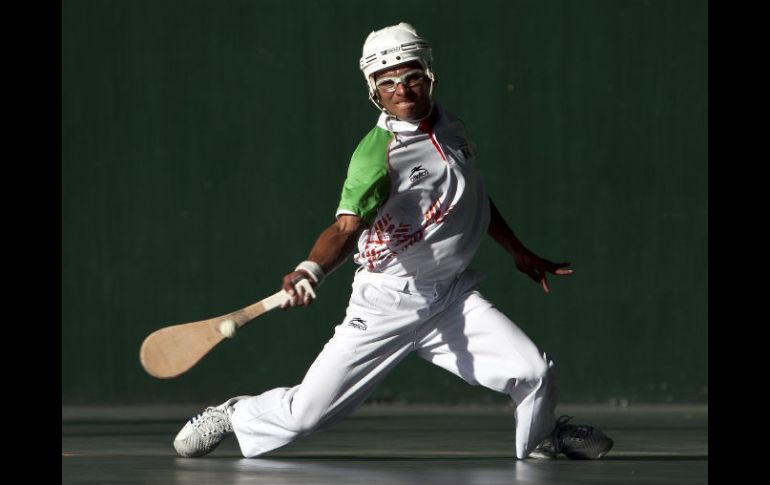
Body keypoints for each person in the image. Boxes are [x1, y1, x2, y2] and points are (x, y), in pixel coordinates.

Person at [172, 22, 613, 461]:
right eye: (387, 82)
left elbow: (468, 195)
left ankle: (541, 438)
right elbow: (345, 229)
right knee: (307, 415)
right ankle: (236, 414)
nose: (402, 90)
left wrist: (517, 249)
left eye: (412, 77)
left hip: (450, 298)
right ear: (374, 91)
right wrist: (312, 269)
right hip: (386, 301)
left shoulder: (450, 126)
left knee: (534, 371)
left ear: (429, 76)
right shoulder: (376, 156)